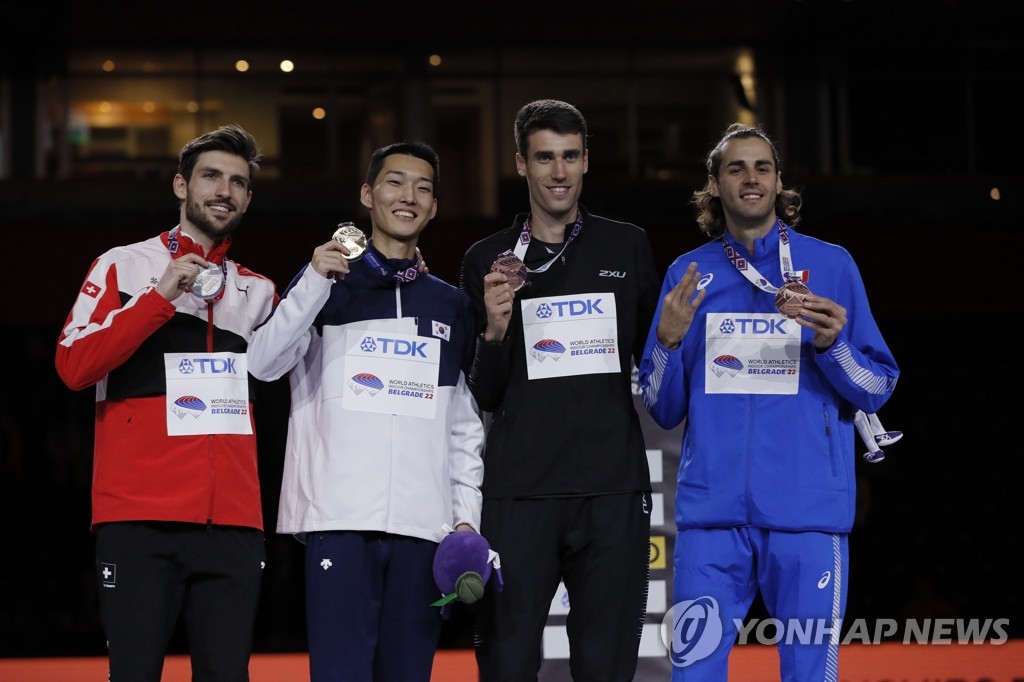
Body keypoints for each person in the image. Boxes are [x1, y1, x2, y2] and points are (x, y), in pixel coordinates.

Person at [638, 123, 900, 679]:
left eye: (762, 167)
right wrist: (664, 342)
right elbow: (663, 409)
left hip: (807, 515)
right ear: (714, 185)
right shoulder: (688, 276)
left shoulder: (832, 266)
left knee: (809, 675)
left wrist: (832, 346)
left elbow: (877, 385)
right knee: (693, 674)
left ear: (780, 182)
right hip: (712, 521)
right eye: (735, 168)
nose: (750, 178)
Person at [246, 141, 484, 682]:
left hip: (423, 529)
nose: (409, 196)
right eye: (396, 182)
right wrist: (313, 280)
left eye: (424, 188)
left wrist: (464, 517)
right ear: (367, 194)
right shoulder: (325, 286)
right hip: (340, 522)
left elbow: (462, 427)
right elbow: (261, 364)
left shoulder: (449, 304)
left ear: (434, 206)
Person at [55, 124, 278, 681]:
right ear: (181, 185)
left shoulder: (259, 292)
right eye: (210, 176)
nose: (223, 190)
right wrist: (158, 297)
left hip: (231, 522)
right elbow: (74, 367)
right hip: (138, 518)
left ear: (248, 198)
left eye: (237, 182)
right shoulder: (123, 265)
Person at [460, 98, 661, 681]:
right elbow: (485, 396)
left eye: (570, 157)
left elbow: (654, 365)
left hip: (611, 492)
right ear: (521, 164)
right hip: (519, 494)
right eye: (544, 157)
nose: (558, 171)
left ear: (586, 162)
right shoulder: (486, 261)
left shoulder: (626, 246)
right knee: (507, 663)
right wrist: (494, 333)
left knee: (606, 666)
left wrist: (670, 339)